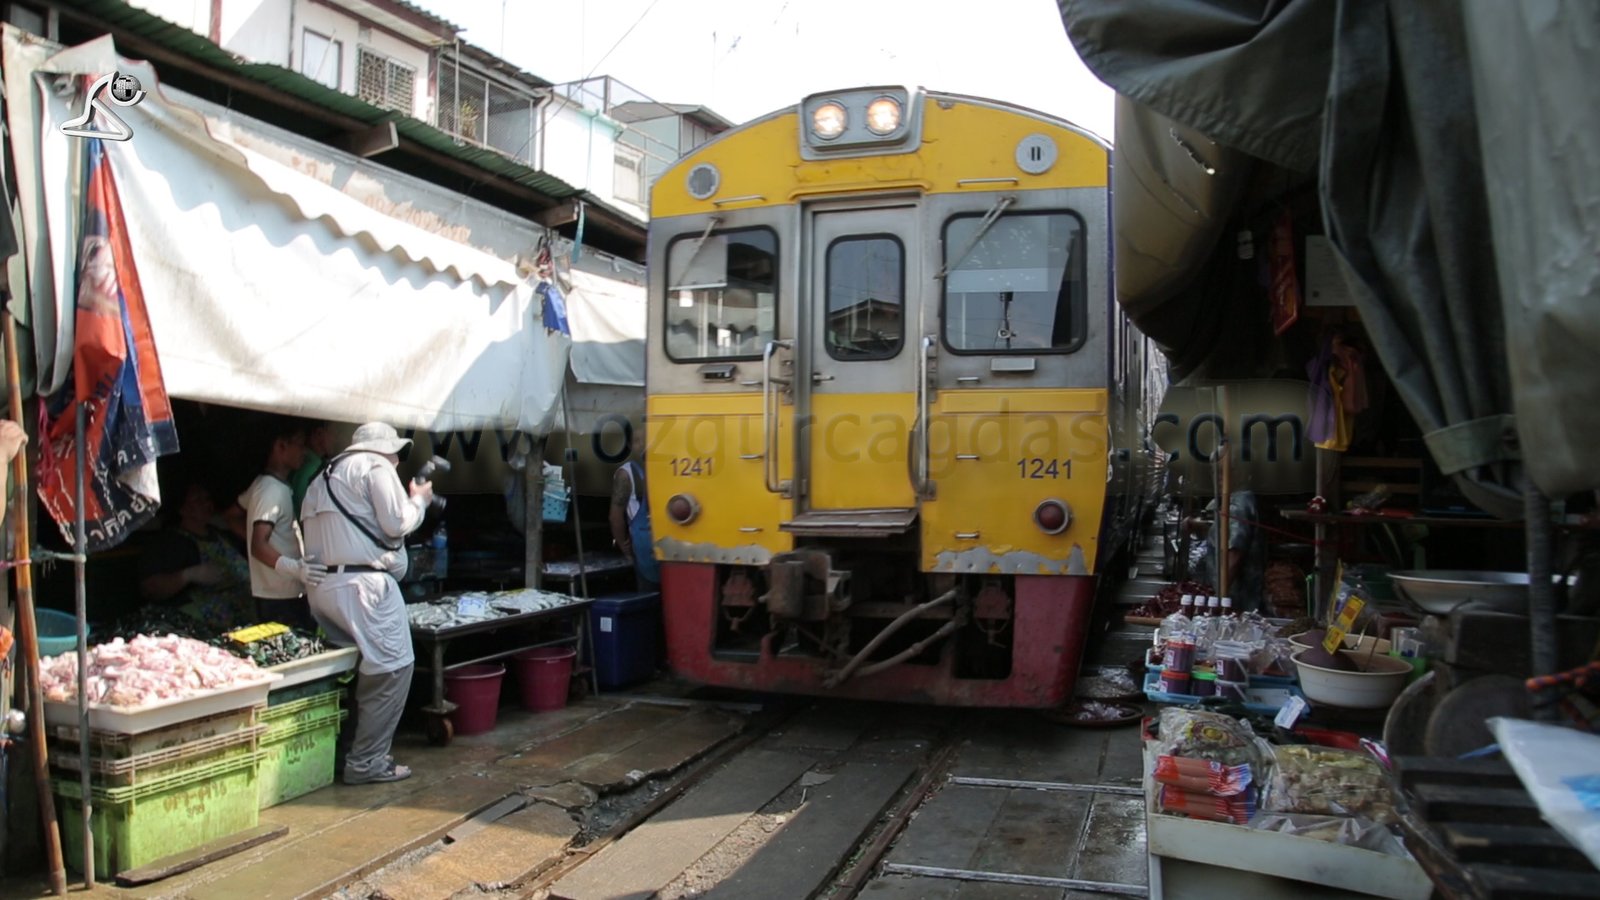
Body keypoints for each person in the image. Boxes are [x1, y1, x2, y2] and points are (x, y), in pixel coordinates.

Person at [301, 422, 432, 785]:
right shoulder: (374, 466)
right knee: (392, 668)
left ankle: (342, 752)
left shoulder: (321, 477)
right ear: (382, 448)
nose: (396, 460)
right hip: (364, 587)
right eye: (395, 453)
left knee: (351, 672)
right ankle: (367, 761)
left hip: (323, 587)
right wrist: (418, 499)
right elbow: (397, 522)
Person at [238, 418, 322, 629]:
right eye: (300, 444)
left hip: (282, 592)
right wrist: (294, 568)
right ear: (280, 446)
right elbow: (258, 545)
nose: (304, 451)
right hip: (279, 598)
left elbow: (232, 514)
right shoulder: (270, 490)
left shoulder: (266, 485)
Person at [139, 480, 255, 629]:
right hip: (206, 628)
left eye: (207, 499)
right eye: (198, 500)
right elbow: (149, 588)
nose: (206, 504)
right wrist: (188, 575)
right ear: (182, 509)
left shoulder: (221, 535)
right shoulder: (170, 542)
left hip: (245, 619)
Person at [1185, 490, 1266, 613]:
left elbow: (1235, 551)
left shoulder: (1239, 503)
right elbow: (1222, 532)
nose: (1218, 476)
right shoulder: (1228, 499)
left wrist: (1219, 594)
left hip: (1237, 599)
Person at [609, 424, 660, 591]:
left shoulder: (664, 467)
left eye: (645, 439)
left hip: (668, 540)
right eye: (637, 441)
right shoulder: (626, 474)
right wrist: (625, 548)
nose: (643, 445)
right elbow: (615, 517)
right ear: (630, 445)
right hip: (644, 546)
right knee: (649, 598)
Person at [289, 421, 332, 518]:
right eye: (335, 432)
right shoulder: (311, 470)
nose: (337, 438)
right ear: (319, 434)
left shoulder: (311, 466)